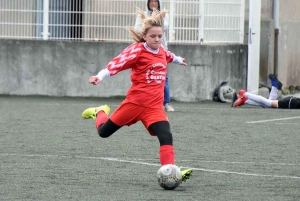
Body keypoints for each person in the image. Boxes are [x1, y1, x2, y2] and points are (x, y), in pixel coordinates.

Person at [82, 8, 192, 182]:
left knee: (166, 135)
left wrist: (179, 59)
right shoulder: (137, 51)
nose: (157, 39)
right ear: (145, 37)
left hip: (154, 108)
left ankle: (170, 171)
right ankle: (99, 112)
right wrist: (99, 76)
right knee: (103, 132)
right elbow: (116, 63)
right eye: (153, 36)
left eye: (159, 36)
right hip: (134, 104)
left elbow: (169, 55)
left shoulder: (162, 51)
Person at [134, 0, 174, 112]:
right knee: (145, 76)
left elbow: (165, 26)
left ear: (159, 3)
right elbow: (137, 29)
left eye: (155, 2)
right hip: (145, 51)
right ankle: (145, 102)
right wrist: (150, 22)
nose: (153, 4)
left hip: (161, 50)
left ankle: (166, 103)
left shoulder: (164, 15)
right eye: (151, 1)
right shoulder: (142, 15)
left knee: (163, 77)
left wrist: (149, 23)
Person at [232, 74, 300, 109]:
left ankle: (245, 100)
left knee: (268, 105)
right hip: (292, 103)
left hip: (293, 101)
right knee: (268, 103)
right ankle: (245, 94)